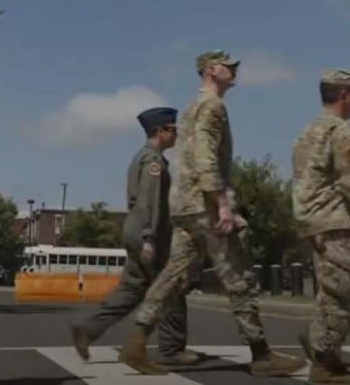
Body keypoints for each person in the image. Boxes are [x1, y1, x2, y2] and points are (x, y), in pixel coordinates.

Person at [119, 50, 305, 377]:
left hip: (186, 206)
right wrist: (222, 202)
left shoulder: (192, 108)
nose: (235, 69)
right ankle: (261, 354)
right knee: (239, 278)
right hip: (206, 206)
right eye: (228, 65)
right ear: (209, 70)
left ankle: (136, 342)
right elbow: (205, 155)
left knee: (173, 277)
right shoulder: (213, 106)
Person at [70, 107, 204, 368]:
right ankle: (171, 349)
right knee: (172, 288)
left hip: (135, 229)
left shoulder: (143, 158)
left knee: (130, 291)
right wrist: (149, 238)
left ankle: (88, 329)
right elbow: (149, 203)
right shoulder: (152, 161)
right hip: (147, 232)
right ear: (160, 131)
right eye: (173, 130)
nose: (177, 135)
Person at [292, 69, 350, 384]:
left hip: (311, 219)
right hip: (334, 220)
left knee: (334, 288)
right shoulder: (341, 130)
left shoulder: (308, 131)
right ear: (344, 94)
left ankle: (328, 354)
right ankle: (322, 362)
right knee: (342, 291)